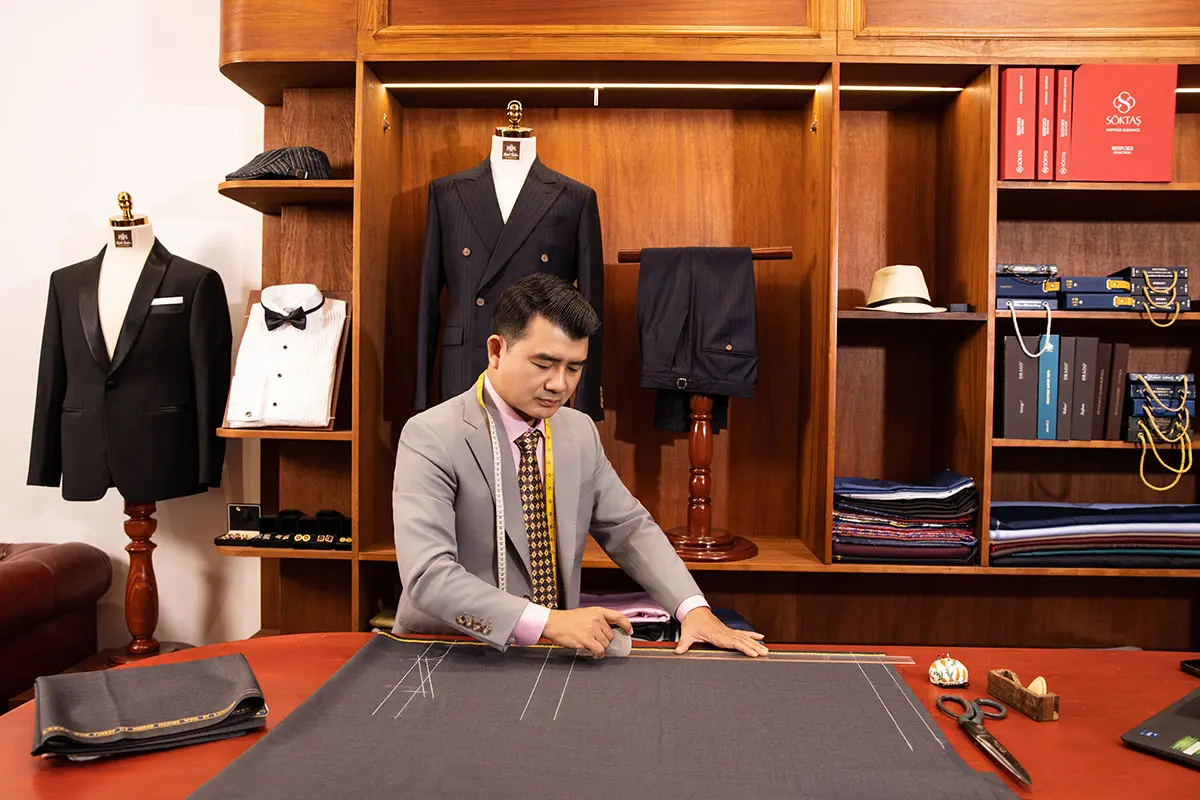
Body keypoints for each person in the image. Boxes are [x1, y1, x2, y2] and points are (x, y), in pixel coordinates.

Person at [391, 273, 768, 659]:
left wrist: (693, 609)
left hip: (551, 655)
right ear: (496, 350)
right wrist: (549, 621)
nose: (559, 385)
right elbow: (428, 575)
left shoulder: (578, 431)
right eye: (544, 363)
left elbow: (628, 527)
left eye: (574, 368)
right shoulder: (431, 435)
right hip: (448, 651)